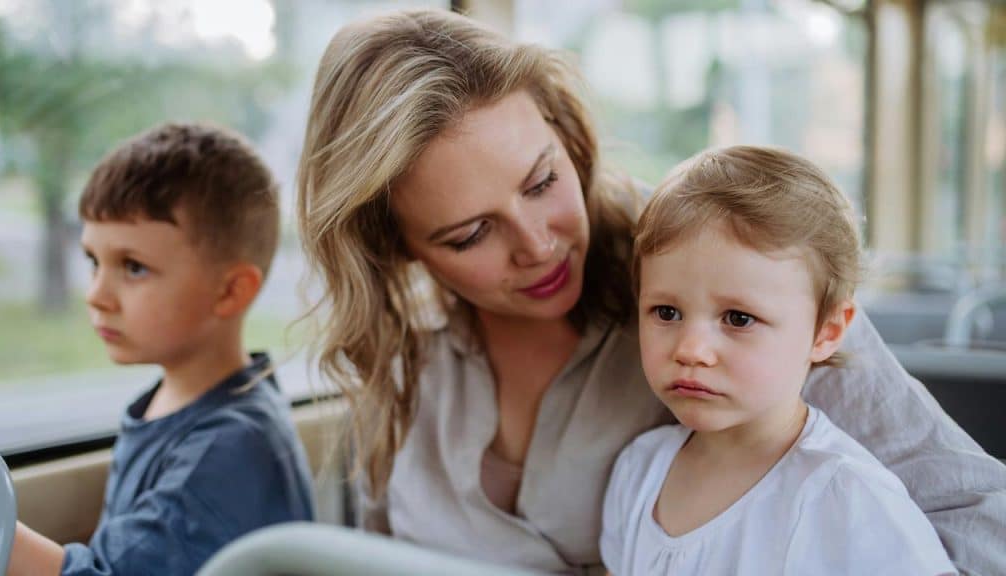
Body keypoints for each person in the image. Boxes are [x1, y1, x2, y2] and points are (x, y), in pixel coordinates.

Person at [295, 8, 1006, 574]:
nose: (538, 245)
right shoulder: (403, 361)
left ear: (568, 137)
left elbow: (972, 514)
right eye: (469, 234)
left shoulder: (725, 270)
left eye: (543, 182)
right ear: (394, 246)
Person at [599, 146, 955, 575]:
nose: (690, 349)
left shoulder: (848, 497)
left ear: (827, 331)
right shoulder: (638, 471)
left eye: (738, 318)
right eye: (666, 312)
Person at [7, 123, 316, 576]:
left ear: (230, 292)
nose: (96, 294)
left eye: (133, 267)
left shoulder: (229, 449)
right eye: (94, 261)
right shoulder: (182, 402)